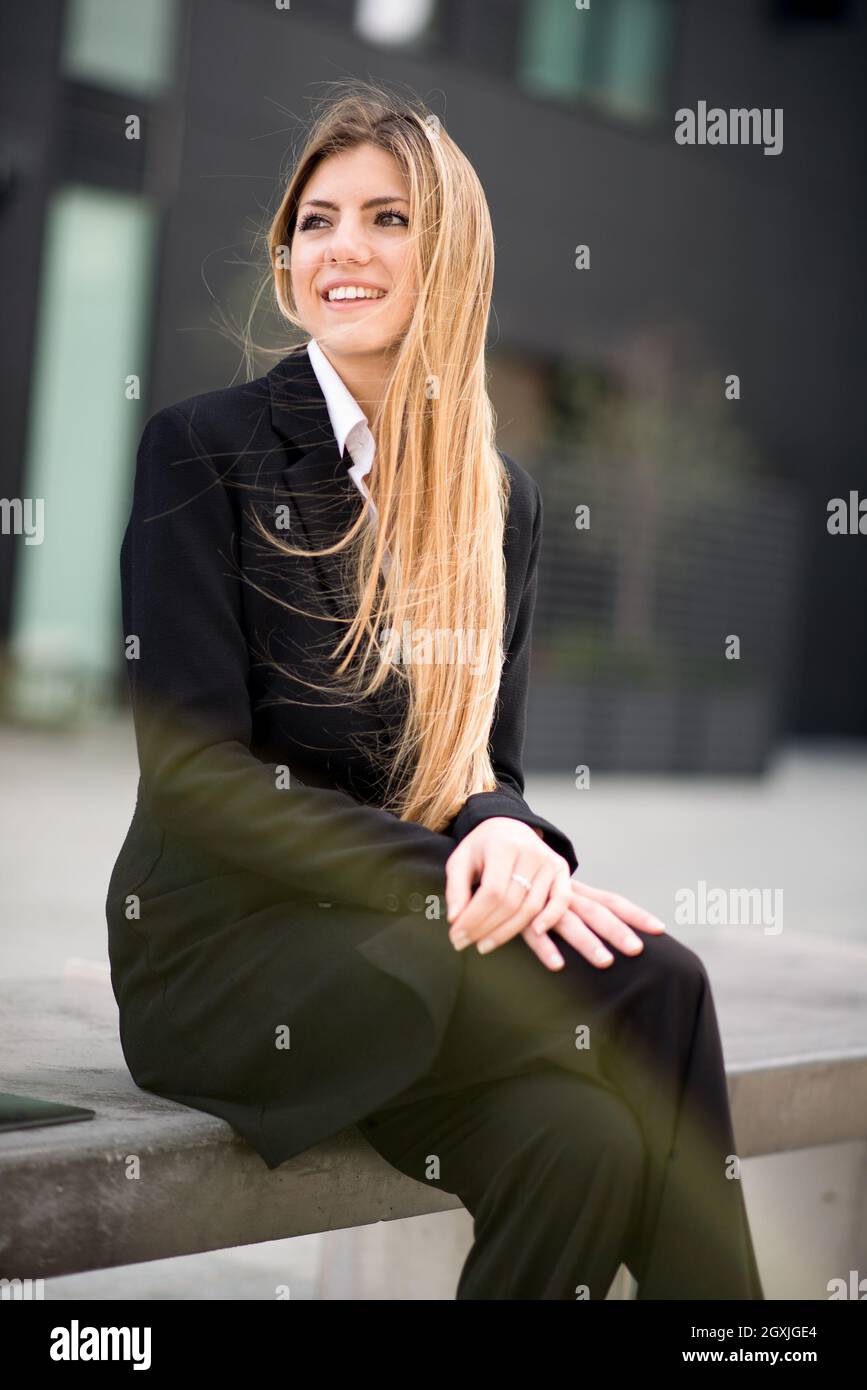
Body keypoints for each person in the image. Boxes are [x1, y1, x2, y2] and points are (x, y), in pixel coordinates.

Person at [106, 81, 764, 1301]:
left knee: (587, 1144)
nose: (343, 248)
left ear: (449, 251)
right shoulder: (206, 450)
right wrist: (462, 877)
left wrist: (509, 833)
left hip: (404, 949)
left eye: (388, 218)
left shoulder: (496, 499)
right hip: (234, 965)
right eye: (317, 220)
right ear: (286, 254)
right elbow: (195, 779)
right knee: (659, 979)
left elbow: (485, 770)